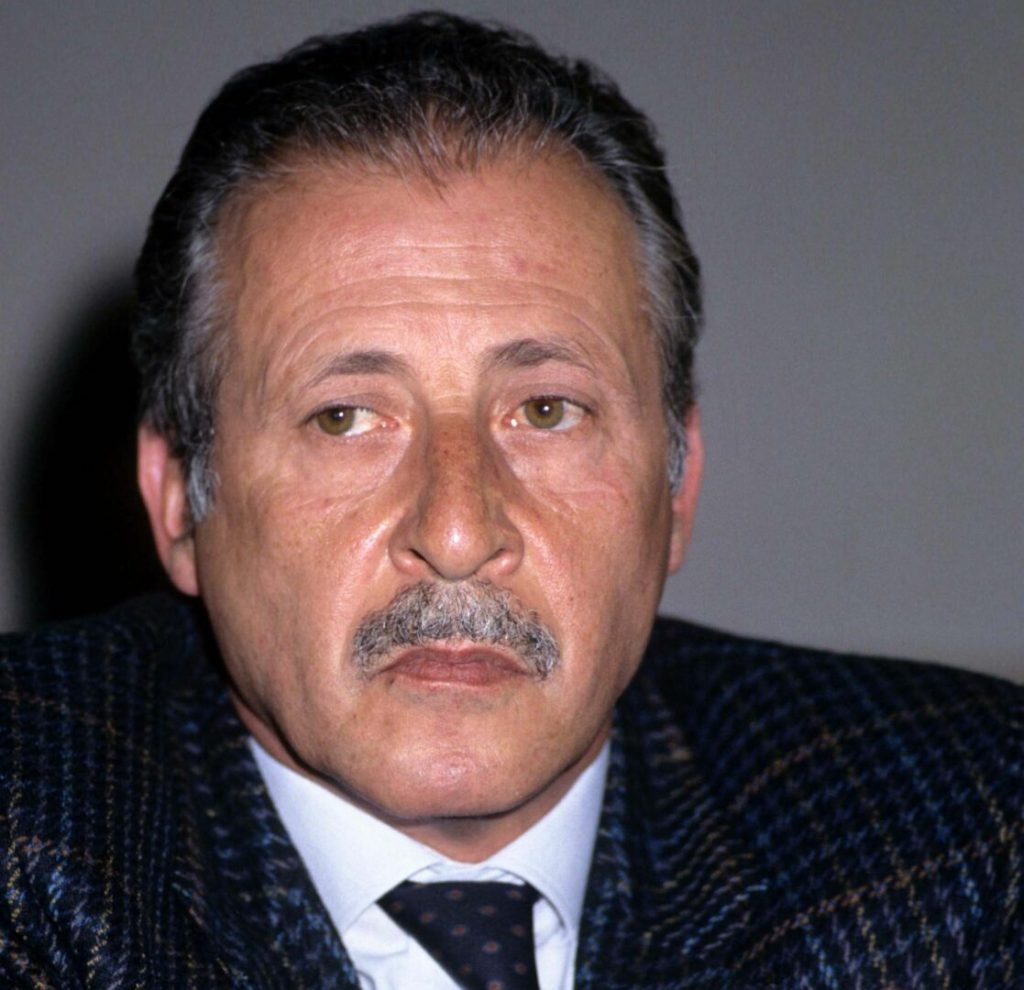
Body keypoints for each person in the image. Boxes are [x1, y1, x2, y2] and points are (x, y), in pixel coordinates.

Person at [1, 12, 1019, 989]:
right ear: (180, 500)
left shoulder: (965, 833)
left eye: (545, 410)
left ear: (676, 484)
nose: (456, 534)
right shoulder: (31, 828)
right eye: (345, 418)